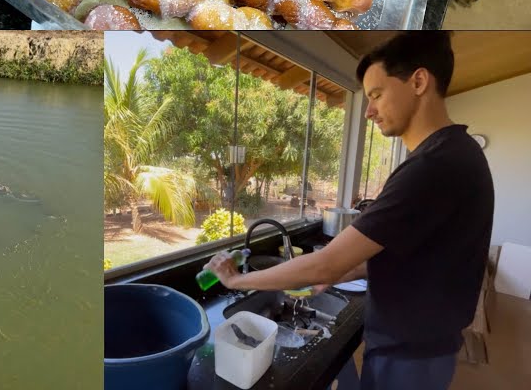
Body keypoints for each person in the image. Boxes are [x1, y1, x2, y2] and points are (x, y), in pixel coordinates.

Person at [202, 31, 493, 390]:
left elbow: (326, 262)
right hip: (419, 346)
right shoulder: (456, 151)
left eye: (376, 95)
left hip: (410, 356)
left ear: (418, 82)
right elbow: (417, 252)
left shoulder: (433, 165)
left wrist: (236, 280)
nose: (368, 110)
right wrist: (341, 271)